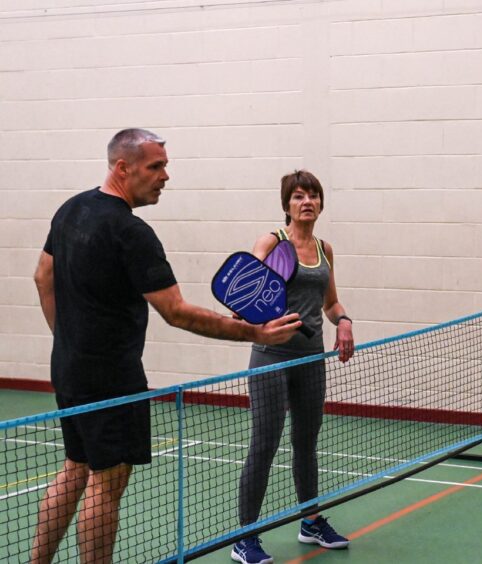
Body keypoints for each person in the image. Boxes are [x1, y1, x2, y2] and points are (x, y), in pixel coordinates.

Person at [30, 129, 303, 564]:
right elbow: (176, 311)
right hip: (112, 378)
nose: (165, 176)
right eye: (155, 166)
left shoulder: (71, 210)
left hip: (68, 368)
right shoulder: (131, 232)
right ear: (123, 168)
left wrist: (67, 341)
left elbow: (43, 276)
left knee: (75, 467)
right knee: (107, 482)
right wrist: (255, 333)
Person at [232, 170, 354, 564]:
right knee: (264, 444)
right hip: (271, 358)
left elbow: (330, 303)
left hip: (310, 360)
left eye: (313, 196)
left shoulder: (324, 249)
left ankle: (310, 521)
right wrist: (257, 322)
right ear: (286, 204)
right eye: (299, 196)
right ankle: (245, 537)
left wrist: (345, 321)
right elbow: (242, 292)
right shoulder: (272, 242)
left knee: (306, 444)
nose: (307, 202)